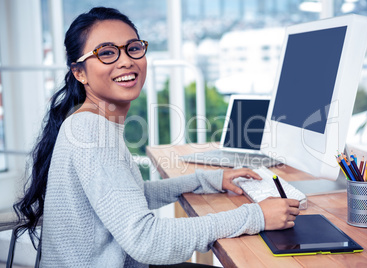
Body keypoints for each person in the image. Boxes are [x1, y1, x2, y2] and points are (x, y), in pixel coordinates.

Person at [13, 7, 300, 267]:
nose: (126, 61)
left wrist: (208, 181)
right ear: (79, 72)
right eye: (107, 53)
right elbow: (147, 241)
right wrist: (256, 216)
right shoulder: (90, 130)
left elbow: (128, 196)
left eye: (133, 48)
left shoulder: (90, 122)